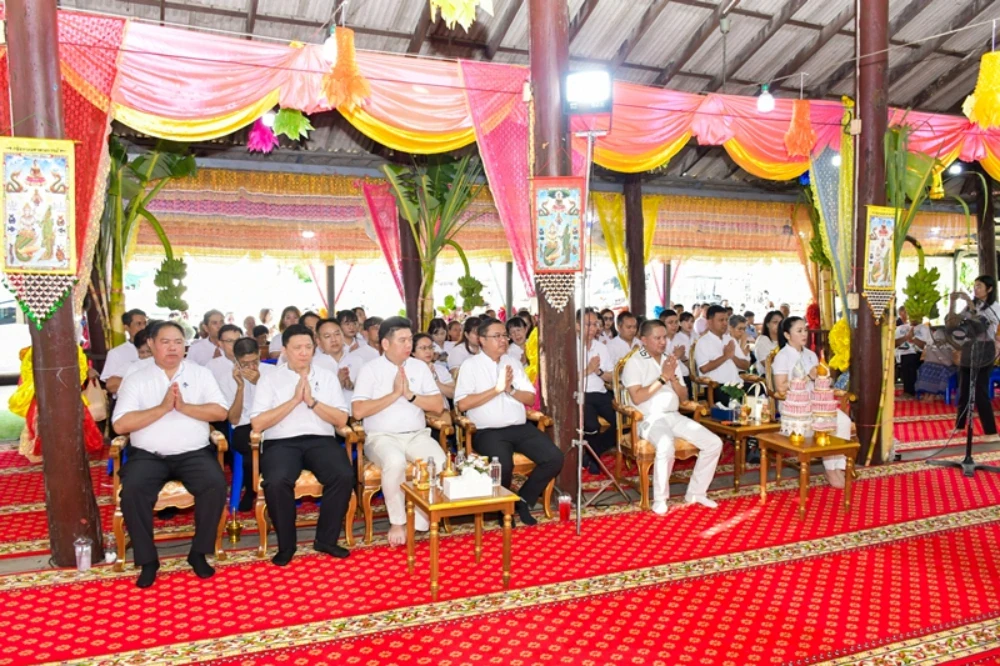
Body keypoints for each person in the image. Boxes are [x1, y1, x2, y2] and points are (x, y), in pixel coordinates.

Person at [112, 320, 229, 588]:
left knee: (214, 484)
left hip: (194, 453)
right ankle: (148, 560)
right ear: (151, 344)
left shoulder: (200, 374)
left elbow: (220, 412)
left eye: (178, 342)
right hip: (148, 455)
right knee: (133, 492)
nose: (173, 348)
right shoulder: (137, 378)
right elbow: (120, 424)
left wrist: (184, 408)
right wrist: (162, 409)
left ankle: (198, 553)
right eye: (165, 342)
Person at [250, 323, 355, 566]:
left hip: (320, 439)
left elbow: (341, 419)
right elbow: (257, 423)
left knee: (342, 475)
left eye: (308, 347)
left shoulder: (326, 377)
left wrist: (311, 402)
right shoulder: (270, 379)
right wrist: (294, 400)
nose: (303, 352)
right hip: (281, 442)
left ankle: (326, 540)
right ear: (285, 350)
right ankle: (287, 545)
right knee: (276, 480)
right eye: (297, 348)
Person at [455, 318, 564, 525]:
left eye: (504, 335)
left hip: (520, 427)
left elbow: (530, 398)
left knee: (554, 458)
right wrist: (496, 390)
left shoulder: (512, 362)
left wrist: (510, 390)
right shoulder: (470, 366)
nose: (503, 340)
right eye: (497, 336)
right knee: (504, 464)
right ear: (481, 340)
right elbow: (463, 404)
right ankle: (502, 510)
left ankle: (522, 500)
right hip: (489, 432)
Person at [352, 317, 447, 546]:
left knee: (438, 461)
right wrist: (394, 394)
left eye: (410, 340)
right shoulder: (370, 370)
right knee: (395, 462)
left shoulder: (419, 367)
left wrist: (410, 395)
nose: (408, 345)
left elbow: (437, 406)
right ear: (385, 344)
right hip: (381, 437)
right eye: (402, 340)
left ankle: (421, 519)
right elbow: (358, 411)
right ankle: (397, 521)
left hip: (417, 435)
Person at [622, 319, 722, 515]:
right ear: (644, 340)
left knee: (714, 443)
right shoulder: (635, 361)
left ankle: (696, 493)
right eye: (657, 338)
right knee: (665, 444)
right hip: (648, 418)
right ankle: (660, 499)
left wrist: (673, 378)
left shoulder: (669, 360)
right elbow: (637, 397)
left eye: (664, 337)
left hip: (674, 415)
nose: (663, 342)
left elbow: (684, 397)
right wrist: (663, 378)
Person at [771, 316, 846, 488]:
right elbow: (781, 388)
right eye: (799, 331)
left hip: (816, 403)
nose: (804, 334)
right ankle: (829, 468)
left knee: (844, 421)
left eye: (805, 330)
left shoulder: (811, 354)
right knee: (825, 424)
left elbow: (819, 379)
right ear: (787, 335)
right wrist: (807, 376)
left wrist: (823, 377)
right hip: (795, 408)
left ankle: (837, 466)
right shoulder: (782, 356)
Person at [213, 335, 275, 511]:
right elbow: (233, 419)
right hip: (243, 425)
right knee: (248, 448)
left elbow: (280, 406)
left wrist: (260, 382)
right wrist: (240, 387)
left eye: (255, 361)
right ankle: (252, 490)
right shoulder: (226, 378)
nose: (251, 367)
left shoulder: (272, 372)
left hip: (270, 420)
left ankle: (265, 489)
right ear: (236, 361)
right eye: (245, 364)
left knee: (273, 446)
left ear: (260, 355)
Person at [950, 276, 1000, 437]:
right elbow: (955, 322)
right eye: (975, 286)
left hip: (985, 348)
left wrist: (969, 305)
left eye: (979, 286)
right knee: (964, 388)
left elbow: (979, 326)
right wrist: (953, 303)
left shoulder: (994, 307)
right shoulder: (971, 305)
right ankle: (959, 426)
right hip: (968, 347)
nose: (975, 289)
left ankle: (991, 432)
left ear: (989, 289)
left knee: (980, 391)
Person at [576, 309, 616, 473]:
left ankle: (593, 454)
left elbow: (610, 377)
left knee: (624, 423)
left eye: (595, 324)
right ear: (577, 326)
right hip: (581, 394)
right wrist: (588, 369)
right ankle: (593, 458)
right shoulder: (571, 347)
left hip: (601, 393)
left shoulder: (601, 347)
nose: (593, 328)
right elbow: (568, 379)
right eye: (588, 324)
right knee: (592, 426)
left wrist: (598, 371)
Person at [313, 318, 365, 404]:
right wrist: (338, 383)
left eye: (337, 334)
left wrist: (351, 386)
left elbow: (367, 392)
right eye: (327, 336)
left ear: (343, 335)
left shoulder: (358, 360)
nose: (334, 339)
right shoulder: (314, 365)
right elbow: (314, 397)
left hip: (354, 411)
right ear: (318, 341)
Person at [101, 308, 148, 395]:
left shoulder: (155, 349)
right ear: (126, 327)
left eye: (145, 323)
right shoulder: (115, 353)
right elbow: (111, 385)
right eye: (138, 324)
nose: (143, 327)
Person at [695, 305, 742, 385]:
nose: (725, 323)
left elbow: (745, 365)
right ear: (710, 322)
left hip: (737, 383)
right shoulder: (703, 342)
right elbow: (703, 369)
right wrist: (725, 356)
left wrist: (732, 356)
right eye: (721, 320)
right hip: (716, 386)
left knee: (761, 387)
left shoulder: (730, 340)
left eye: (726, 320)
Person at [895, 306, 930, 398]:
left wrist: (913, 339)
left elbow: (926, 346)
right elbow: (894, 343)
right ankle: (909, 390)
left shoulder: (924, 328)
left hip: (919, 354)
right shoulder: (900, 328)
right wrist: (906, 337)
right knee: (906, 357)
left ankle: (910, 391)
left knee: (910, 358)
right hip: (902, 354)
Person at [915, 328, 957, 400]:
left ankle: (928, 395)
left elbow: (923, 358)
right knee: (936, 371)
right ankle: (931, 395)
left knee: (929, 370)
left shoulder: (929, 345)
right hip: (940, 368)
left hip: (930, 368)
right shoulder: (948, 346)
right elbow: (948, 362)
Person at [413, 332, 454, 401]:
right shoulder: (409, 371)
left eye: (431, 347)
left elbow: (453, 393)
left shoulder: (440, 369)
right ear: (413, 352)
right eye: (423, 348)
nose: (428, 351)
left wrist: (434, 380)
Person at [754, 310, 783, 375]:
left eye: (781, 323)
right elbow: (766, 364)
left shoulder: (786, 340)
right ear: (767, 324)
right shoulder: (762, 340)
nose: (779, 325)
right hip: (768, 378)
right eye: (775, 322)